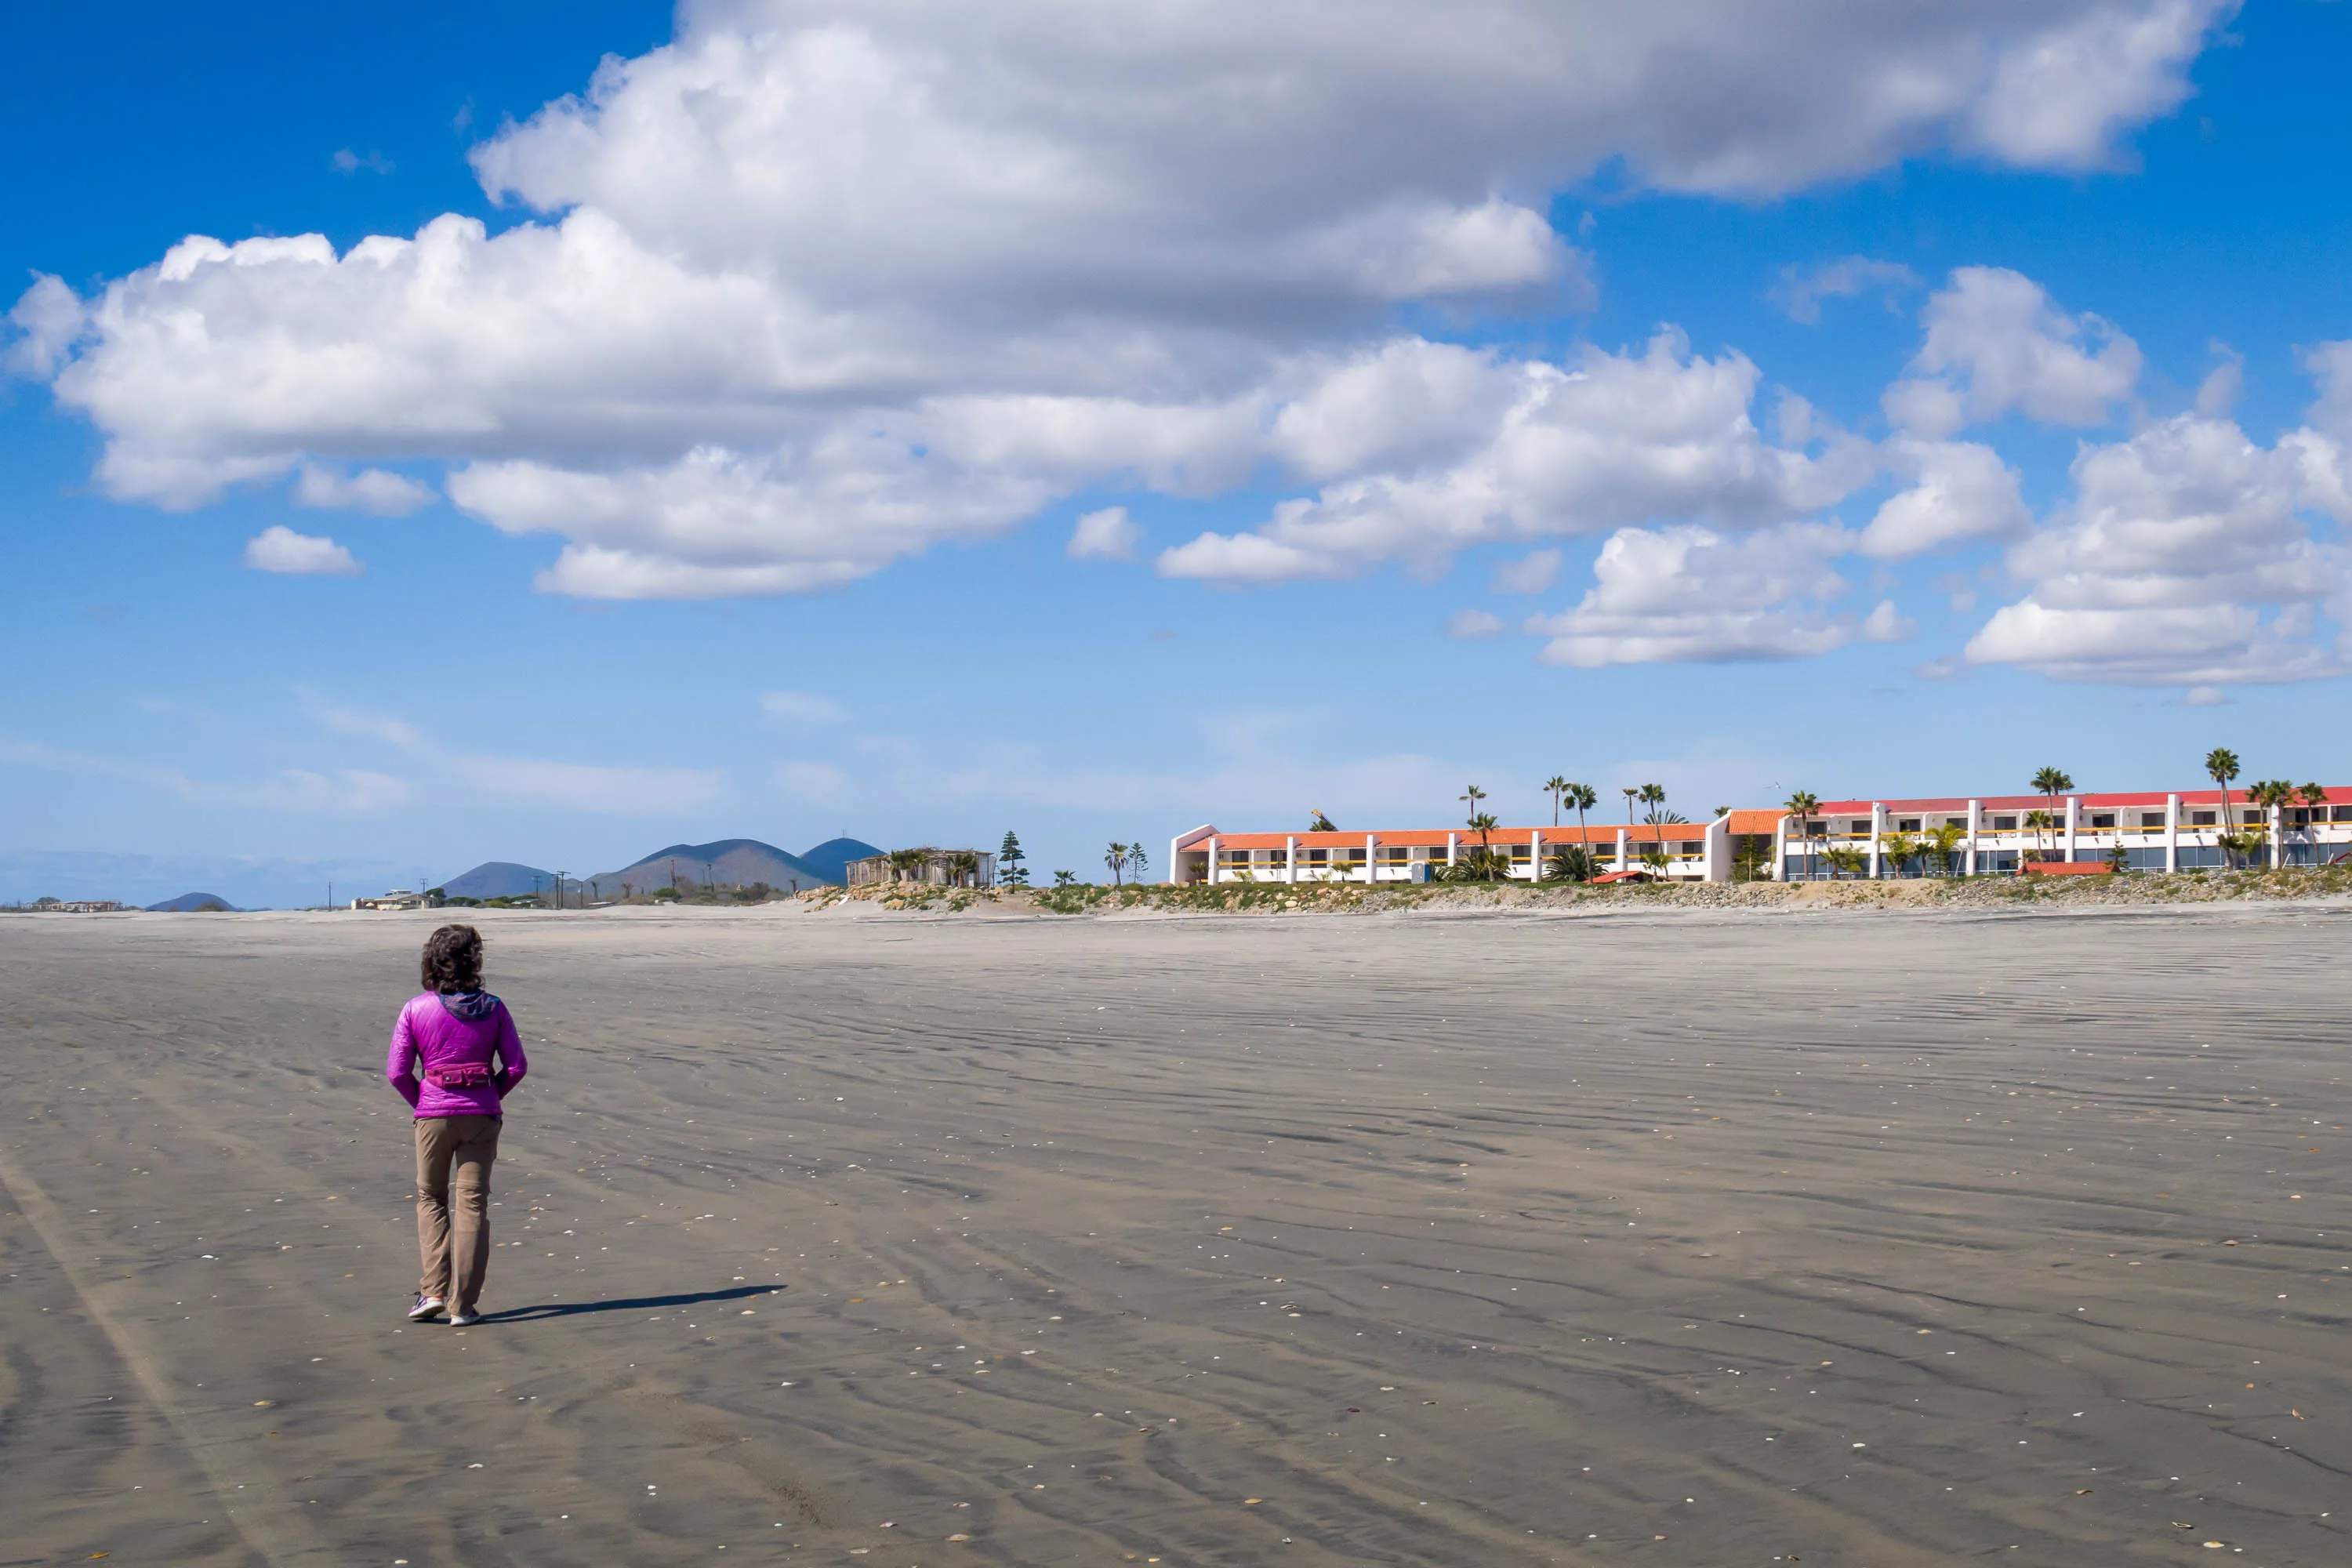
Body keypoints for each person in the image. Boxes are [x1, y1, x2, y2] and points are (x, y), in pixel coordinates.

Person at [386, 924, 528, 1325]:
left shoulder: (415, 1008)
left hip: (432, 1115)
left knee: (431, 1198)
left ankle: (432, 1291)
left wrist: (426, 1104)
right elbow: (515, 1067)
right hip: (481, 1115)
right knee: (473, 1204)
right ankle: (462, 1306)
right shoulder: (495, 1007)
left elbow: (398, 1072)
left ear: (431, 959)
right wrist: (489, 1097)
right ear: (475, 961)